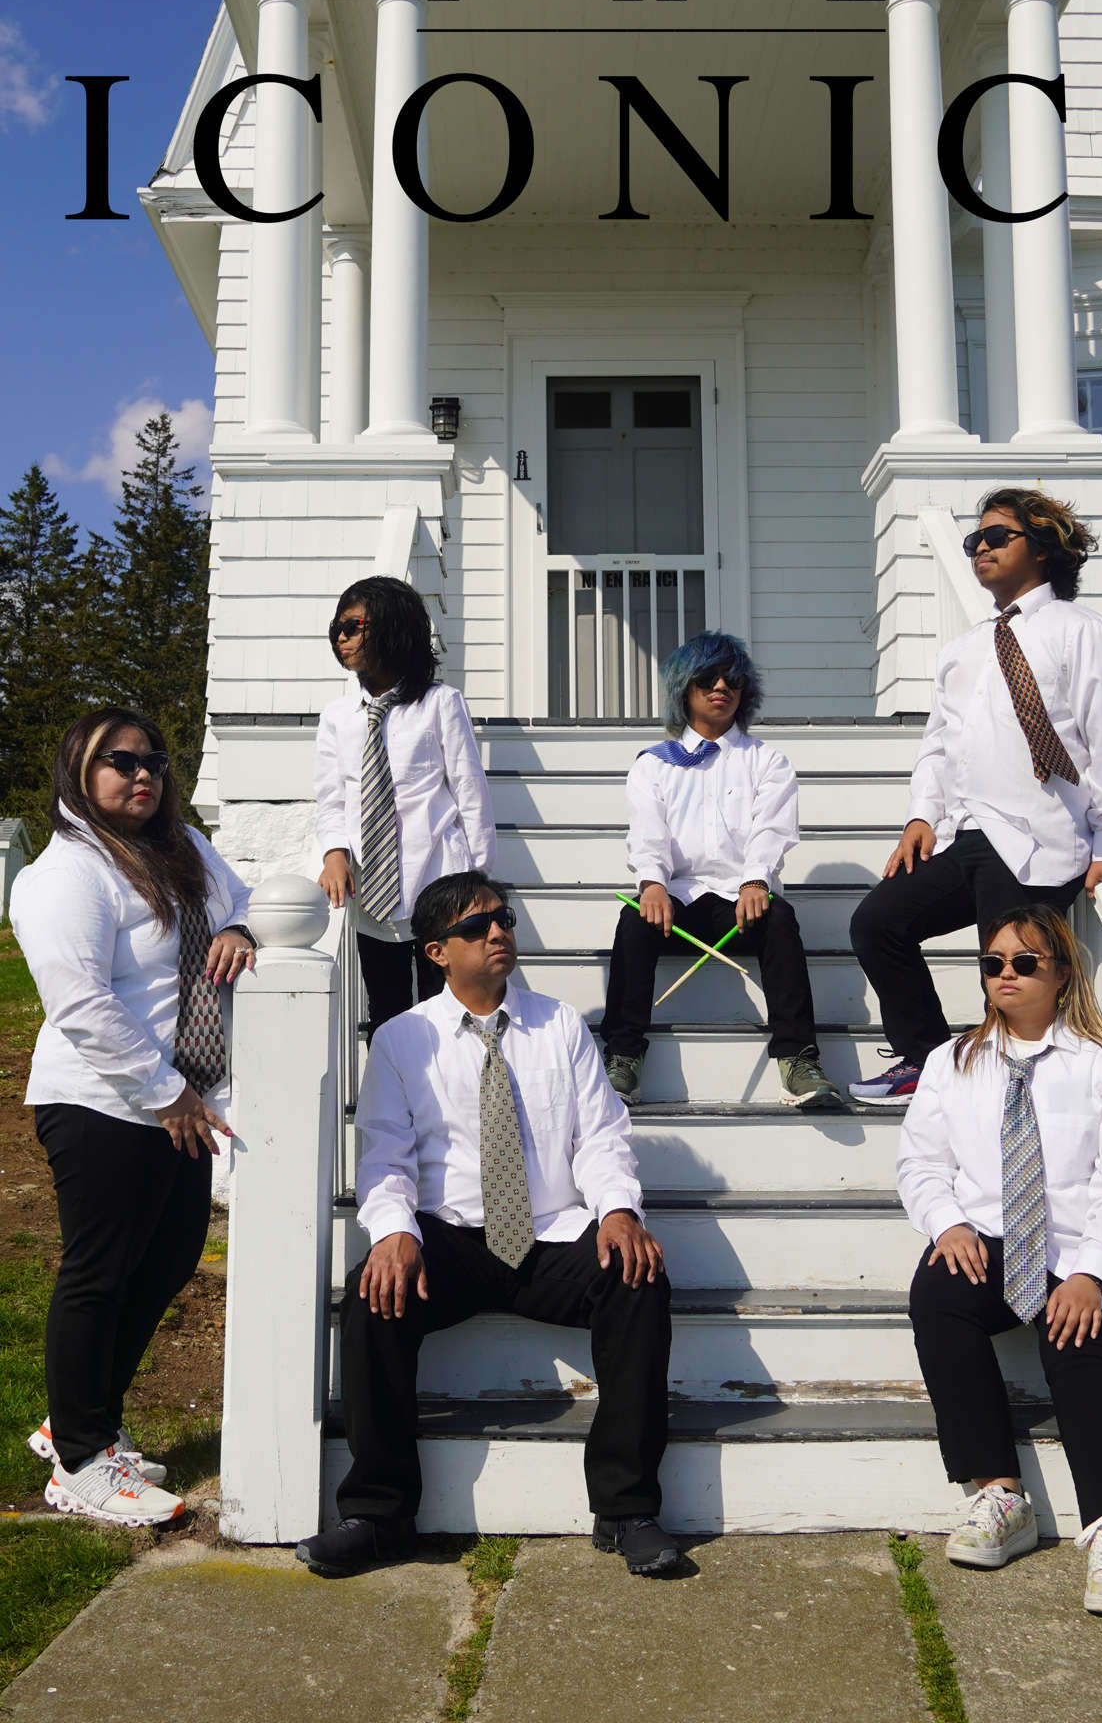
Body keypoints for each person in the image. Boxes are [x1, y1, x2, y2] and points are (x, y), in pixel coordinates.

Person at [296, 871, 679, 1579]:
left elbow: (600, 1135)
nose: (499, 932)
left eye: (504, 919)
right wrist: (393, 1232)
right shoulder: (401, 1041)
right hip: (449, 1239)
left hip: (551, 1235)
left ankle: (627, 1509)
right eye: (478, 926)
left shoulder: (559, 1024)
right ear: (437, 951)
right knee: (372, 1297)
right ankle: (378, 1516)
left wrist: (618, 1209)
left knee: (638, 1277)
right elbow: (385, 1152)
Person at [10, 707, 256, 1528]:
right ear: (78, 770)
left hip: (175, 1101)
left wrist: (241, 927)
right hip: (103, 1100)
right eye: (121, 760)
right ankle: (81, 1461)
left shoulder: (181, 850)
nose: (143, 772)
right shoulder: (66, 875)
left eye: (154, 759)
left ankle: (78, 1418)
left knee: (172, 1255)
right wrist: (165, 1091)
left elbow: (238, 897)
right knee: (100, 1272)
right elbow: (79, 1000)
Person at [896, 904, 1102, 1618]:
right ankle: (999, 1494)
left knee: (1076, 1336)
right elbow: (920, 1162)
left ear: (1062, 972)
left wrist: (1092, 1271)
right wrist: (946, 1224)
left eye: (1023, 963)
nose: (1004, 975)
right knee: (937, 1294)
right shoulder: (953, 1062)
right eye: (992, 964)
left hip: (1075, 1245)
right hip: (987, 1237)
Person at [851, 487, 1102, 1101]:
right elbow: (940, 743)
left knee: (1010, 972)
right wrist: (922, 815)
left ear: (1041, 547)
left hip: (1043, 837)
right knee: (877, 921)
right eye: (973, 541)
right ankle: (928, 1064)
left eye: (996, 536)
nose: (980, 547)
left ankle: (1021, 1086)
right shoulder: (965, 649)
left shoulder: (1080, 631)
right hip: (970, 836)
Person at [599, 630, 839, 1110]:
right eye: (708, 678)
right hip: (679, 900)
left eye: (733, 680)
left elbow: (773, 830)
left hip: (740, 900)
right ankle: (623, 1059)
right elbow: (648, 834)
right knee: (633, 921)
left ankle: (798, 1061)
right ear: (684, 689)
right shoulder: (653, 764)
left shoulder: (766, 761)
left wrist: (757, 880)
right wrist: (652, 883)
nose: (721, 687)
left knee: (780, 917)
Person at [315, 574, 496, 1033]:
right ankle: (396, 1101)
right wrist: (334, 851)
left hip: (438, 877)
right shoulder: (337, 718)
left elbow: (470, 794)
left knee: (450, 1011)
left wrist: (480, 882)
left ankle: (452, 1099)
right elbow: (332, 798)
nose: (341, 635)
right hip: (371, 891)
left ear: (393, 629)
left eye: (354, 625)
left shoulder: (440, 704)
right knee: (388, 1015)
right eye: (337, 625)